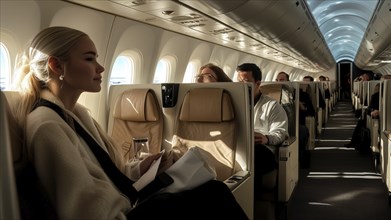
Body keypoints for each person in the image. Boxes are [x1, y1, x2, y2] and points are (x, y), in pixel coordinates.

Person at [13, 26, 247, 219]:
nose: (100, 67)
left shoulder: (77, 114)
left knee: (213, 189)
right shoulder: (47, 126)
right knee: (214, 194)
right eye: (89, 58)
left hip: (127, 201)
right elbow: (84, 209)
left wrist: (138, 170)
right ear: (56, 66)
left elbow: (106, 174)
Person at [236, 63, 288, 186]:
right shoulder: (234, 103)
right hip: (241, 146)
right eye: (239, 82)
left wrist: (266, 138)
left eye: (246, 82)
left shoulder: (272, 106)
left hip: (263, 149)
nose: (241, 86)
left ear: (258, 84)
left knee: (254, 154)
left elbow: (281, 132)